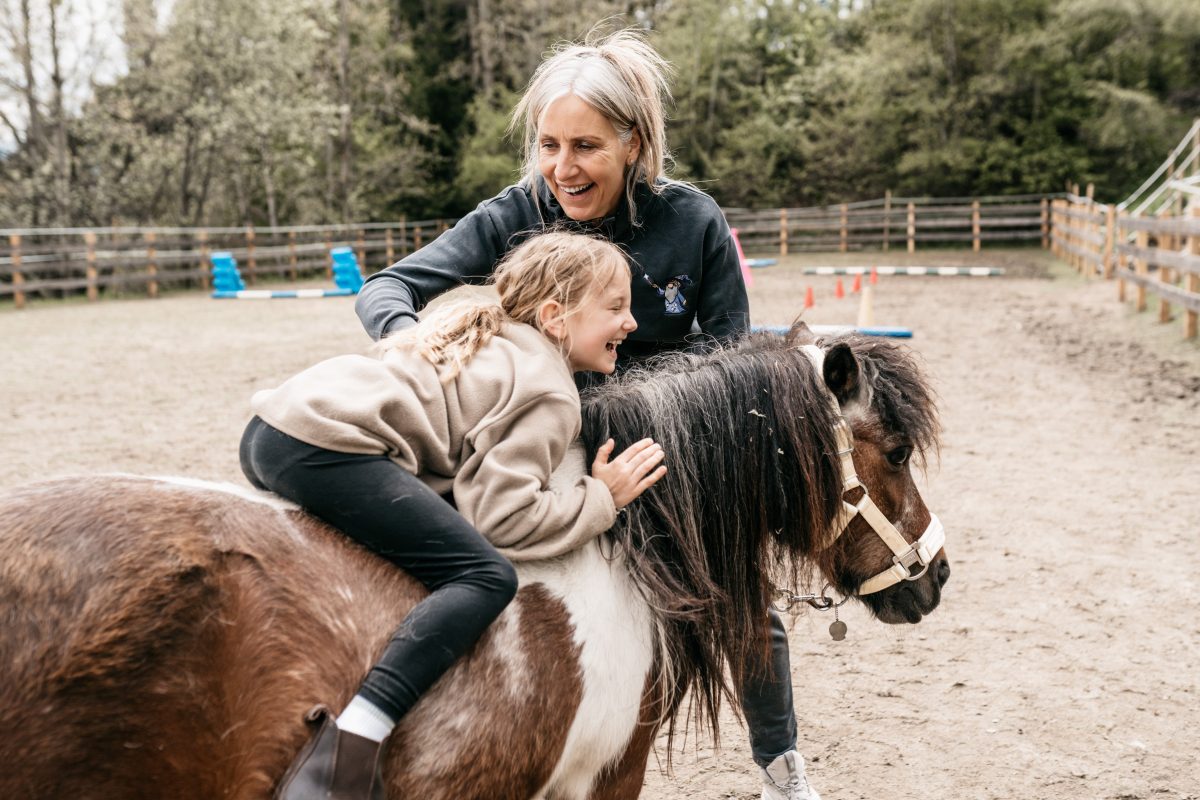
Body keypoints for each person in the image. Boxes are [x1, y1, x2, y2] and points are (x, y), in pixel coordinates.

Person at [354, 28, 820, 800]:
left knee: (746, 596)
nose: (562, 169)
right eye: (547, 145)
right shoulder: (517, 213)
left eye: (586, 147)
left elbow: (735, 365)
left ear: (633, 144)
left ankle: (782, 768)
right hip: (545, 446)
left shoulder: (693, 221)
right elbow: (385, 289)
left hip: (665, 456)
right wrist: (421, 347)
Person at [242, 231, 668, 800]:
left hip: (274, 429)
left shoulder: (500, 339)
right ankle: (351, 745)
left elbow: (466, 483)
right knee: (484, 576)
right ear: (555, 318)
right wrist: (602, 500)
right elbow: (499, 518)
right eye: (615, 308)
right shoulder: (551, 392)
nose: (632, 323)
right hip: (326, 445)